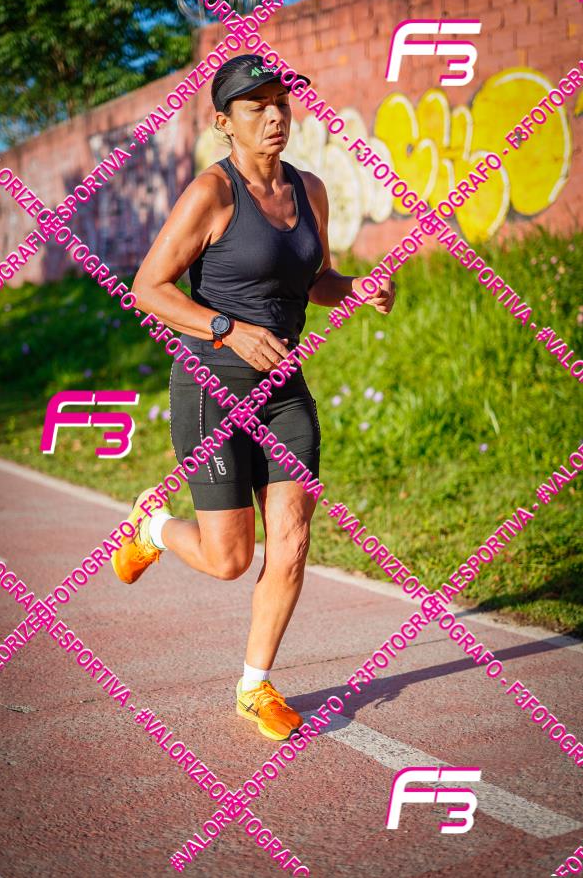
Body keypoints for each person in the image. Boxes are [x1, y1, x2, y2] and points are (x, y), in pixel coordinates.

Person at [111, 54, 396, 741]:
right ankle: (152, 528)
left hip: (283, 393)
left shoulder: (310, 190)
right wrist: (227, 329)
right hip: (211, 388)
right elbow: (148, 288)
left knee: (292, 541)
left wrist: (354, 288)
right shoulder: (212, 193)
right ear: (224, 122)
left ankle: (255, 684)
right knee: (230, 560)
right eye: (256, 106)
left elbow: (314, 280)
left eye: (281, 103)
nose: (274, 116)